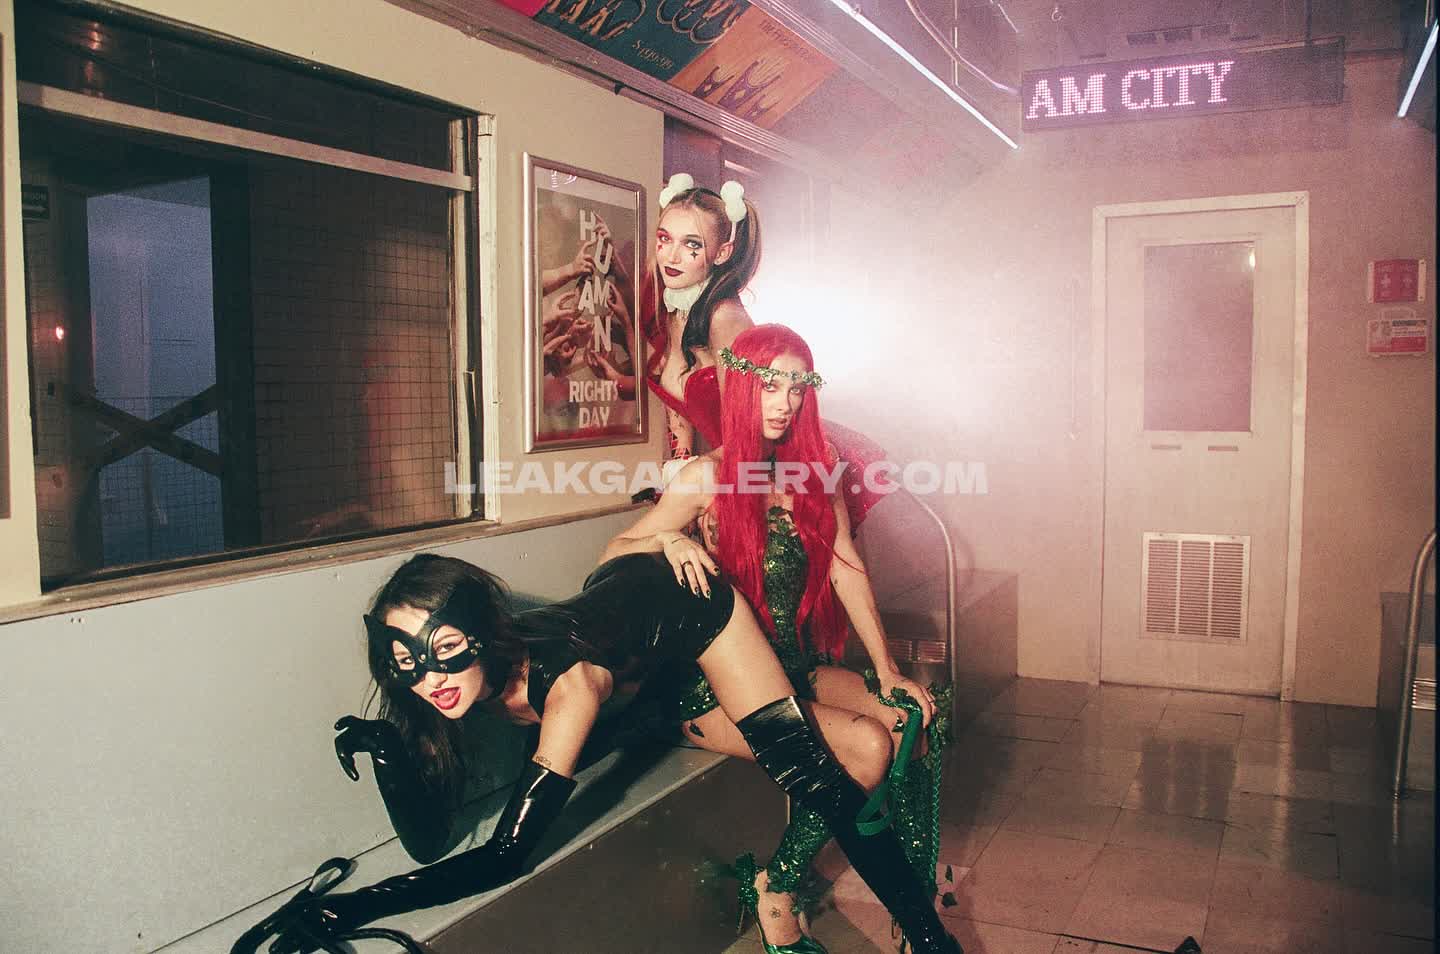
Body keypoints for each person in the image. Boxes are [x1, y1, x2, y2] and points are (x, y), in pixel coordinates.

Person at [269, 551, 962, 954]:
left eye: (446, 650)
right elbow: (429, 843)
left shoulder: (568, 689)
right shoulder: (451, 684)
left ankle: (934, 943)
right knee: (636, 714)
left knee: (816, 779)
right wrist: (389, 752)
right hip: (630, 649)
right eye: (406, 663)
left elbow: (509, 855)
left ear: (482, 632)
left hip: (695, 608)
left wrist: (349, 909)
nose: (430, 679)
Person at [602, 324, 952, 954]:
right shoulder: (705, 477)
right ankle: (778, 888)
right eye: (770, 384)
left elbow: (846, 568)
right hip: (715, 693)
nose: (785, 402)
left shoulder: (814, 475)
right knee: (868, 744)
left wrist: (888, 668)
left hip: (792, 668)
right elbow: (613, 554)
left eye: (797, 387)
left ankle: (912, 908)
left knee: (913, 716)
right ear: (740, 387)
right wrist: (667, 539)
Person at [643, 173, 893, 526]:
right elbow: (679, 409)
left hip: (776, 470)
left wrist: (715, 489)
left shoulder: (725, 320)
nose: (672, 256)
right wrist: (679, 473)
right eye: (665, 239)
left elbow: (754, 426)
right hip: (727, 473)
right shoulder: (674, 310)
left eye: (692, 245)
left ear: (722, 252)